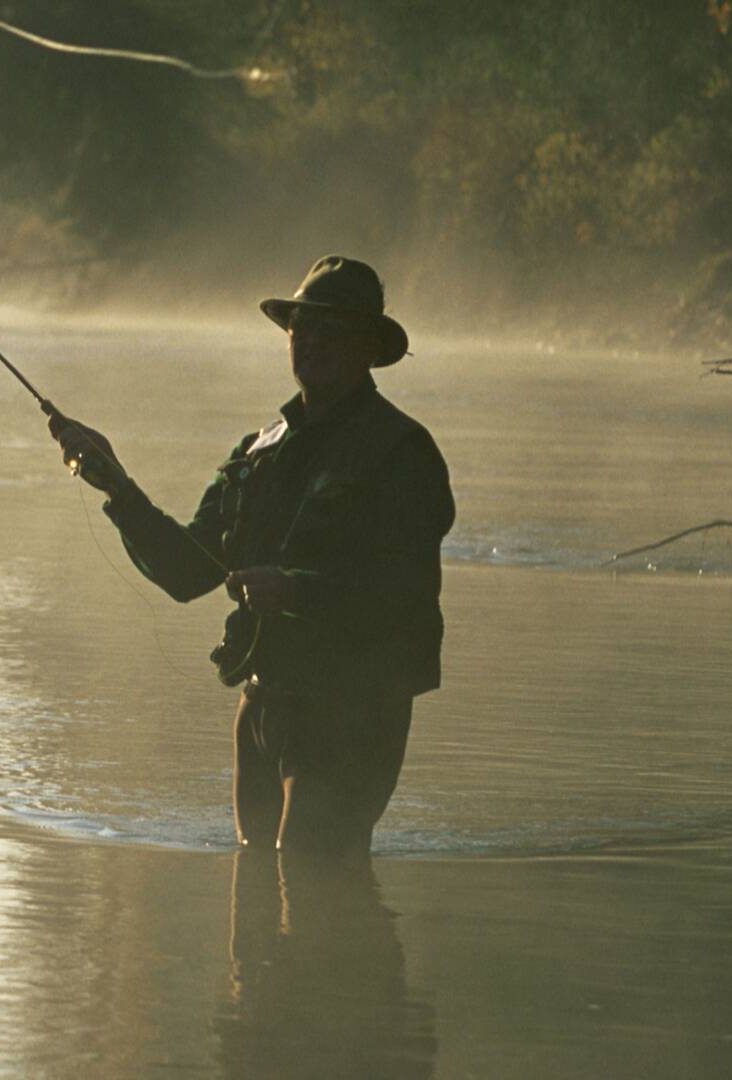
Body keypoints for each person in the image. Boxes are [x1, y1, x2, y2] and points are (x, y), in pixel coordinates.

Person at [49, 255, 453, 857]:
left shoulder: (402, 451)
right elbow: (187, 573)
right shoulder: (260, 450)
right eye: (300, 328)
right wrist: (119, 487)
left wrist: (296, 590)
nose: (310, 341)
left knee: (313, 878)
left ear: (368, 347)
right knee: (254, 900)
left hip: (351, 712)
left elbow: (403, 594)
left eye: (330, 330)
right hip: (262, 706)